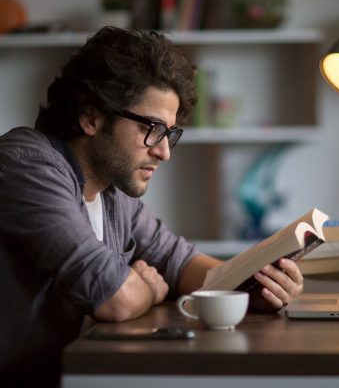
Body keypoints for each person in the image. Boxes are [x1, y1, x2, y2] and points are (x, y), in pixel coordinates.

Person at [0, 27, 304, 387]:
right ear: (92, 118)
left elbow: (181, 262)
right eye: (153, 128)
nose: (164, 151)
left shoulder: (112, 192)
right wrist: (149, 288)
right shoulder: (27, 165)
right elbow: (114, 298)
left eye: (169, 133)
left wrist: (254, 289)